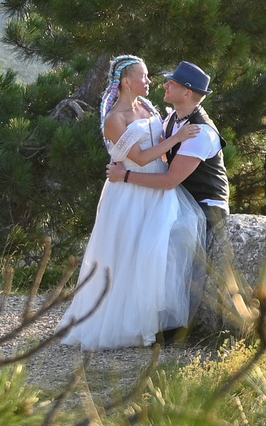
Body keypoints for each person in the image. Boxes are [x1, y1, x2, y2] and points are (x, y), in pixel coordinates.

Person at [61, 55, 205, 349]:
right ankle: (121, 325)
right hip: (129, 192)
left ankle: (151, 324)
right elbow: (138, 157)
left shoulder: (146, 108)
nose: (150, 81)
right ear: (127, 82)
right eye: (144, 76)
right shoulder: (115, 119)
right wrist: (177, 138)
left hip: (155, 189)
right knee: (126, 255)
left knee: (153, 254)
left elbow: (158, 150)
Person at [106, 60, 228, 338]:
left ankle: (176, 328)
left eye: (171, 83)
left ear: (186, 92)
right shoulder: (172, 119)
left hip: (206, 205)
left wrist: (124, 177)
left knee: (167, 243)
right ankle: (148, 319)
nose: (165, 85)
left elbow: (169, 179)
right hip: (181, 200)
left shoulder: (201, 132)